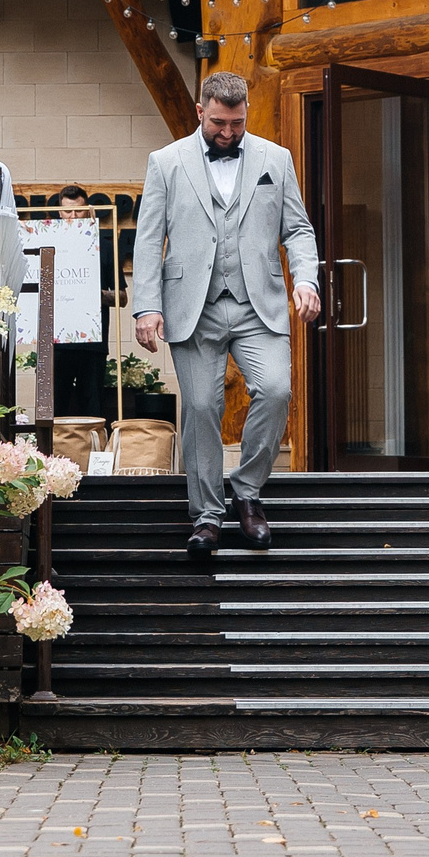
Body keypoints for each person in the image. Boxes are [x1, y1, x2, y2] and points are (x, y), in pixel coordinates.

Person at [127, 71, 320, 559]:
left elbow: (297, 230)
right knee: (202, 408)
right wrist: (146, 306)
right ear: (200, 111)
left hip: (261, 304)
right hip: (193, 307)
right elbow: (149, 240)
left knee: (276, 390)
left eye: (236, 122)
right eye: (218, 123)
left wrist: (306, 279)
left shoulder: (276, 159)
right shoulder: (166, 162)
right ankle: (207, 516)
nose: (228, 133)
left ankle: (248, 491)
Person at [49, 185, 110, 424]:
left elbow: (122, 298)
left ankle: (96, 459)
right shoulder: (49, 245)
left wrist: (91, 293)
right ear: (59, 214)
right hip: (58, 340)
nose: (73, 217)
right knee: (55, 407)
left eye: (78, 211)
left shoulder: (103, 246)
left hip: (93, 342)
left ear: (88, 211)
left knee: (93, 407)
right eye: (67, 212)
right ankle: (52, 459)